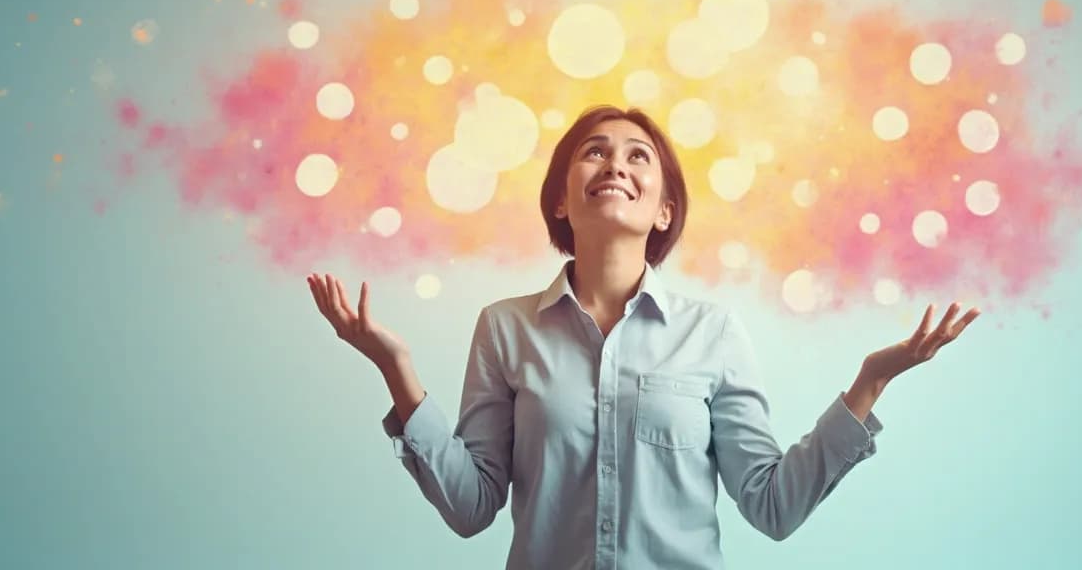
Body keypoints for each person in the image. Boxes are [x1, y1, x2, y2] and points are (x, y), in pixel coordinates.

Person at [306, 105, 980, 569]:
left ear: (663, 210)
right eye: (593, 153)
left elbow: (773, 506)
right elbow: (471, 505)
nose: (614, 164)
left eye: (637, 156)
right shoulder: (505, 328)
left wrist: (870, 383)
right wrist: (395, 368)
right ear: (562, 200)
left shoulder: (712, 333)